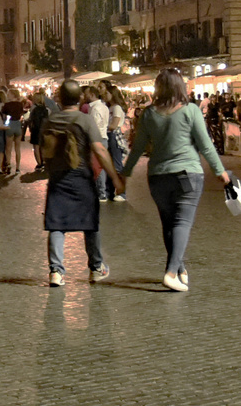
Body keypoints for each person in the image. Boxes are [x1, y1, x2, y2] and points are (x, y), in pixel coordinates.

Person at [120, 67, 229, 292]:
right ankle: (170, 272)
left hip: (158, 177)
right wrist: (220, 171)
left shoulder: (149, 114)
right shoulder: (190, 111)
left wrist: (126, 173)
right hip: (187, 174)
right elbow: (205, 144)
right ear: (181, 86)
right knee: (182, 223)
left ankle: (179, 268)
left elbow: (137, 146)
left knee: (169, 224)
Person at [36, 79, 122, 287]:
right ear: (80, 98)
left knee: (56, 225)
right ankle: (96, 267)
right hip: (81, 176)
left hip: (58, 178)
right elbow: (100, 150)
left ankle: (56, 271)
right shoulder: (85, 120)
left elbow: (41, 147)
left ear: (60, 98)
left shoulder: (50, 121)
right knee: (90, 224)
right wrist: (115, 177)